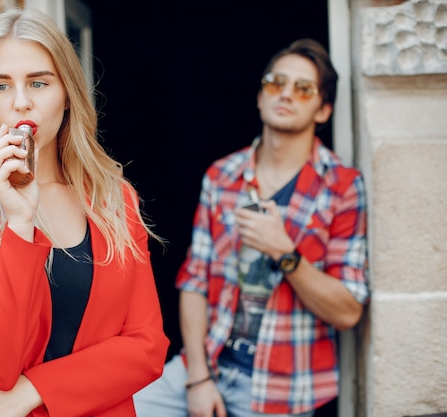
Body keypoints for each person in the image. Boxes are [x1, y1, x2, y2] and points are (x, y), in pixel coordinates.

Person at [0, 8, 169, 417]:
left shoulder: (114, 197)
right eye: (1, 86)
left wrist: (34, 390)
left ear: (68, 93)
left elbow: (146, 346)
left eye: (38, 82)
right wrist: (19, 223)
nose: (20, 102)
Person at [133, 39, 369, 417]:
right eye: (276, 82)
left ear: (323, 110)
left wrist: (284, 253)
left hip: (283, 390)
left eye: (303, 88)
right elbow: (194, 282)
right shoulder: (223, 175)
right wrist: (198, 378)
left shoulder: (342, 186)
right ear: (261, 96)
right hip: (205, 365)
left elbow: (348, 311)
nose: (286, 94)